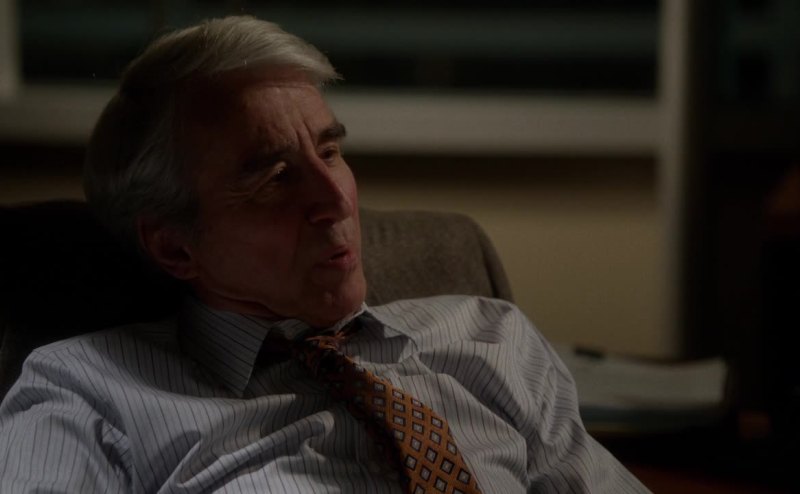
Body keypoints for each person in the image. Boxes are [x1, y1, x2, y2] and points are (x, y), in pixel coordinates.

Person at [0, 16, 648, 493]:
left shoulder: (492, 340)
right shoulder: (86, 392)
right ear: (174, 246)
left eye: (331, 151)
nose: (335, 199)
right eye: (274, 176)